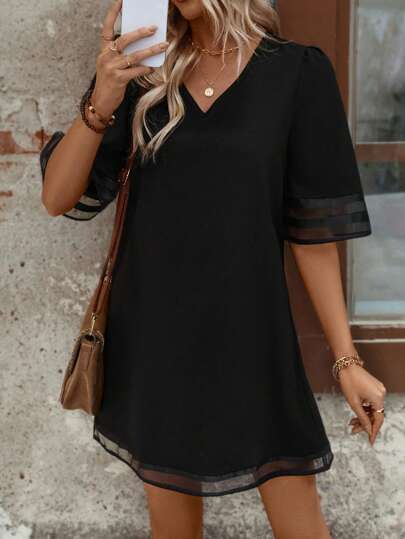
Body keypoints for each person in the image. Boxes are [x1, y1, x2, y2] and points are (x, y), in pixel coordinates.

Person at [40, 0, 386, 537]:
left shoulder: (297, 72)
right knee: (172, 528)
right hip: (154, 340)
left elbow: (312, 235)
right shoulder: (142, 72)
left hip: (254, 339)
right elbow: (58, 197)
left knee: (301, 522)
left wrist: (346, 361)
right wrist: (102, 98)